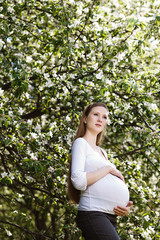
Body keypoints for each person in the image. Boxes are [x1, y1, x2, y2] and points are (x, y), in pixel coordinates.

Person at [68, 102, 133, 240]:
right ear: (85, 119)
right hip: (93, 213)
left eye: (104, 117)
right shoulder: (81, 143)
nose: (100, 119)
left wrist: (124, 207)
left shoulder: (102, 152)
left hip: (110, 216)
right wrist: (108, 168)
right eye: (96, 114)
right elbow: (78, 181)